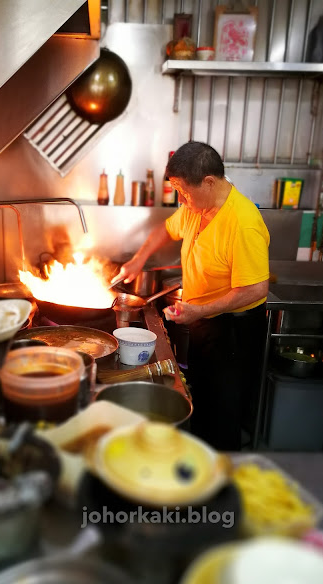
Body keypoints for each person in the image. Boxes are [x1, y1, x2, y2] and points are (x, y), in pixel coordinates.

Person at [112, 141, 270, 450]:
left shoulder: (243, 222)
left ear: (209, 182)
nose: (182, 199)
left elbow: (255, 289)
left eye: (185, 192)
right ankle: (200, 463)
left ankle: (222, 479)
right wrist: (138, 260)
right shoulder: (196, 209)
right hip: (204, 322)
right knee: (202, 399)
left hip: (234, 330)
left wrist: (201, 310)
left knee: (224, 413)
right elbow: (164, 230)